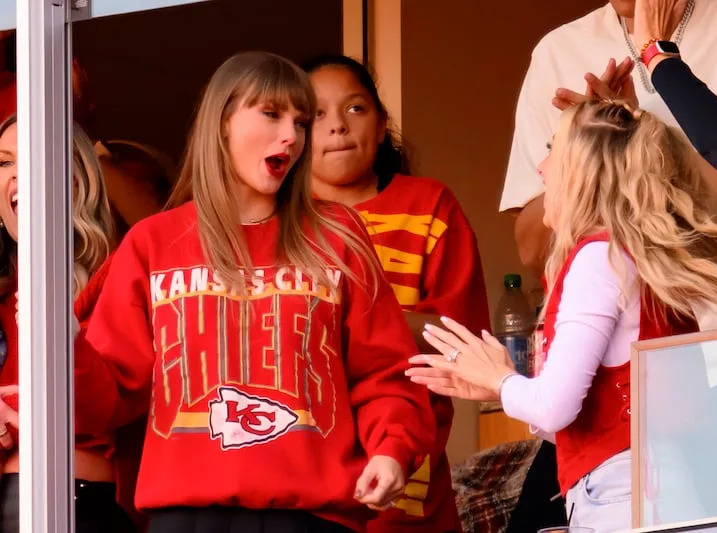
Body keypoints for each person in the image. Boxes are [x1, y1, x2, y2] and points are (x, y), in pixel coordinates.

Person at [74, 51, 436, 533]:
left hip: (314, 516)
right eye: (271, 114)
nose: (291, 135)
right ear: (223, 121)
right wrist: (62, 340)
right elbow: (111, 395)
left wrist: (392, 450)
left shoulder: (337, 236)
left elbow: (385, 373)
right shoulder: (153, 243)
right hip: (187, 516)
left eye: (300, 122)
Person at [409, 100, 717, 532]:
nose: (541, 169)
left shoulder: (598, 259)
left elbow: (555, 409)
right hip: (658, 489)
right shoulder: (630, 255)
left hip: (629, 496)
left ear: (581, 171)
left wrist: (499, 382)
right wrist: (508, 382)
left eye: (551, 149)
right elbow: (576, 418)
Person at [304, 54, 491, 533]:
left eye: (355, 109)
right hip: (305, 474)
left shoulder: (428, 205)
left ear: (383, 124)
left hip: (410, 481)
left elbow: (464, 341)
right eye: (317, 114)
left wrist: (352, 320)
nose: (338, 127)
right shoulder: (277, 225)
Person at [501, 0, 717, 278]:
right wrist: (593, 151)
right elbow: (533, 251)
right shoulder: (557, 52)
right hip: (624, 311)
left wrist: (642, 147)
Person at [0, 114, 135, 532]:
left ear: (77, 181)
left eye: (37, 156)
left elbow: (108, 408)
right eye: (3, 162)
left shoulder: (121, 278)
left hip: (85, 504)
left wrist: (15, 408)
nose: (19, 172)